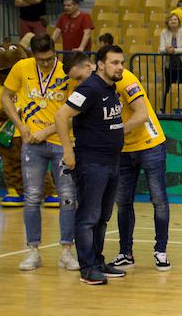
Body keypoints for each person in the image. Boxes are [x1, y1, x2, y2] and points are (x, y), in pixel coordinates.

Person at [55, 45, 134, 285]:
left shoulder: (112, 89)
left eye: (121, 62)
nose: (119, 67)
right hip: (92, 163)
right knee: (88, 217)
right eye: (114, 62)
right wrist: (68, 150)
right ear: (100, 64)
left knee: (102, 217)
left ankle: (98, 261)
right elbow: (61, 116)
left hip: (111, 162)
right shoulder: (89, 88)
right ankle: (87, 267)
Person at [2, 34, 78, 272]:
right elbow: (5, 96)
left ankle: (66, 251)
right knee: (32, 197)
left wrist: (46, 131)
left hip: (62, 142)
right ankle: (33, 251)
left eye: (49, 59)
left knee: (67, 197)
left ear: (55, 52)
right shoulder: (21, 67)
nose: (46, 64)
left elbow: (76, 109)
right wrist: (20, 125)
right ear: (32, 55)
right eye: (41, 60)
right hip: (31, 144)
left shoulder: (67, 70)